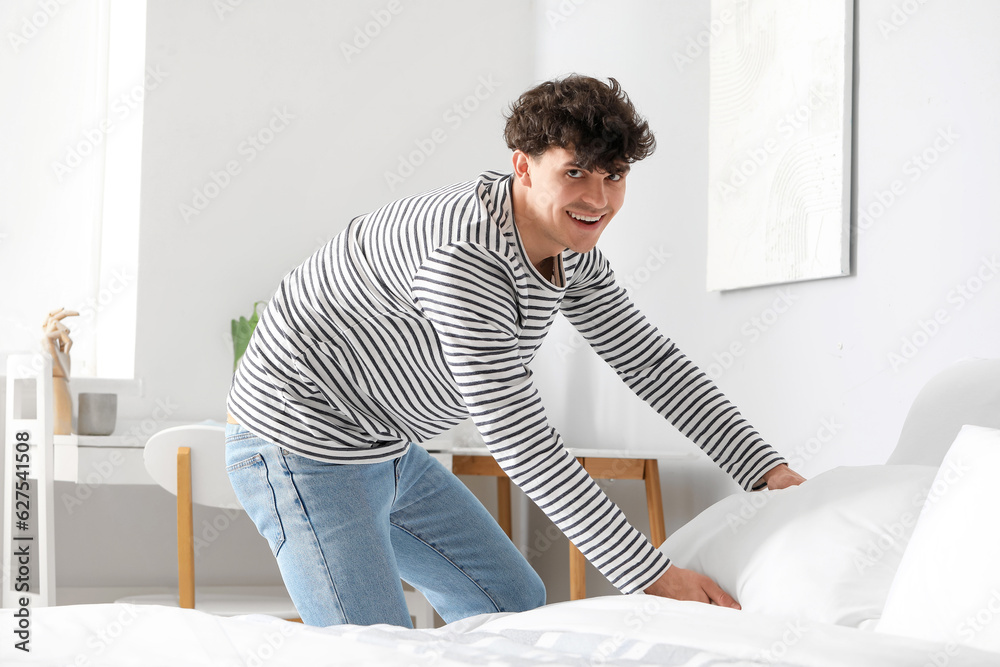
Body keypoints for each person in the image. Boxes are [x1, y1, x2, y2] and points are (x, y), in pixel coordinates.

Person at [225, 74, 805, 628]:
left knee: (510, 601)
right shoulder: (466, 254)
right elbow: (516, 434)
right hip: (301, 446)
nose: (597, 199)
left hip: (388, 448)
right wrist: (650, 577)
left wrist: (766, 471)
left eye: (614, 175)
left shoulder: (566, 246)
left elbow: (651, 364)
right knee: (375, 645)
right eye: (576, 172)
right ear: (523, 167)